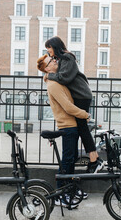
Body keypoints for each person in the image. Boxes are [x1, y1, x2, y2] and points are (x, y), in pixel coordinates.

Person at [44, 36, 103, 173]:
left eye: (49, 47)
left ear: (56, 46)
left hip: (81, 95)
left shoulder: (68, 57)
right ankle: (94, 160)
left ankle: (95, 160)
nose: (48, 51)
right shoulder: (61, 60)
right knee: (82, 127)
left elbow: (64, 78)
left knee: (82, 127)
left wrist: (48, 76)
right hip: (77, 95)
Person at [37, 54, 89, 206]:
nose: (55, 61)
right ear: (47, 68)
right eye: (51, 61)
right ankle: (61, 195)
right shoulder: (53, 85)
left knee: (70, 161)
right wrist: (85, 114)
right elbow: (67, 106)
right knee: (67, 162)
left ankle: (71, 190)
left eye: (53, 59)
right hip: (68, 126)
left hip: (71, 125)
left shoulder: (56, 81)